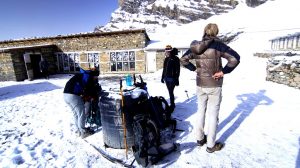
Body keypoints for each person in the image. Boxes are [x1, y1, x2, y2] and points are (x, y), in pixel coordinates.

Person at [180, 23, 240, 153]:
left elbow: (183, 59)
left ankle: (200, 139)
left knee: (200, 111)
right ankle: (211, 145)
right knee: (213, 115)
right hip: (214, 84)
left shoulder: (195, 46)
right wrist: (223, 71)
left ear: (205, 31)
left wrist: (194, 69)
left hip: (200, 84)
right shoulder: (218, 46)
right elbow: (235, 58)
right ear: (216, 32)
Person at [63, 68, 100, 138]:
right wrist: (94, 96)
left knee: (76, 114)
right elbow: (89, 89)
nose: (96, 78)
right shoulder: (88, 77)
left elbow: (83, 87)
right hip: (73, 95)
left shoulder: (82, 75)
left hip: (65, 95)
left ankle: (79, 131)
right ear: (94, 75)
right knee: (81, 114)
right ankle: (83, 132)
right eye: (96, 76)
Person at [161, 45, 181, 111]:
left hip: (172, 78)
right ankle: (172, 103)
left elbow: (178, 70)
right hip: (166, 78)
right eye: (166, 51)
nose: (167, 53)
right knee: (170, 91)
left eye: (168, 51)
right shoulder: (166, 59)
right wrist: (162, 77)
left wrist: (177, 79)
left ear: (171, 51)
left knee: (170, 91)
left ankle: (172, 104)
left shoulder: (176, 59)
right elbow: (164, 69)